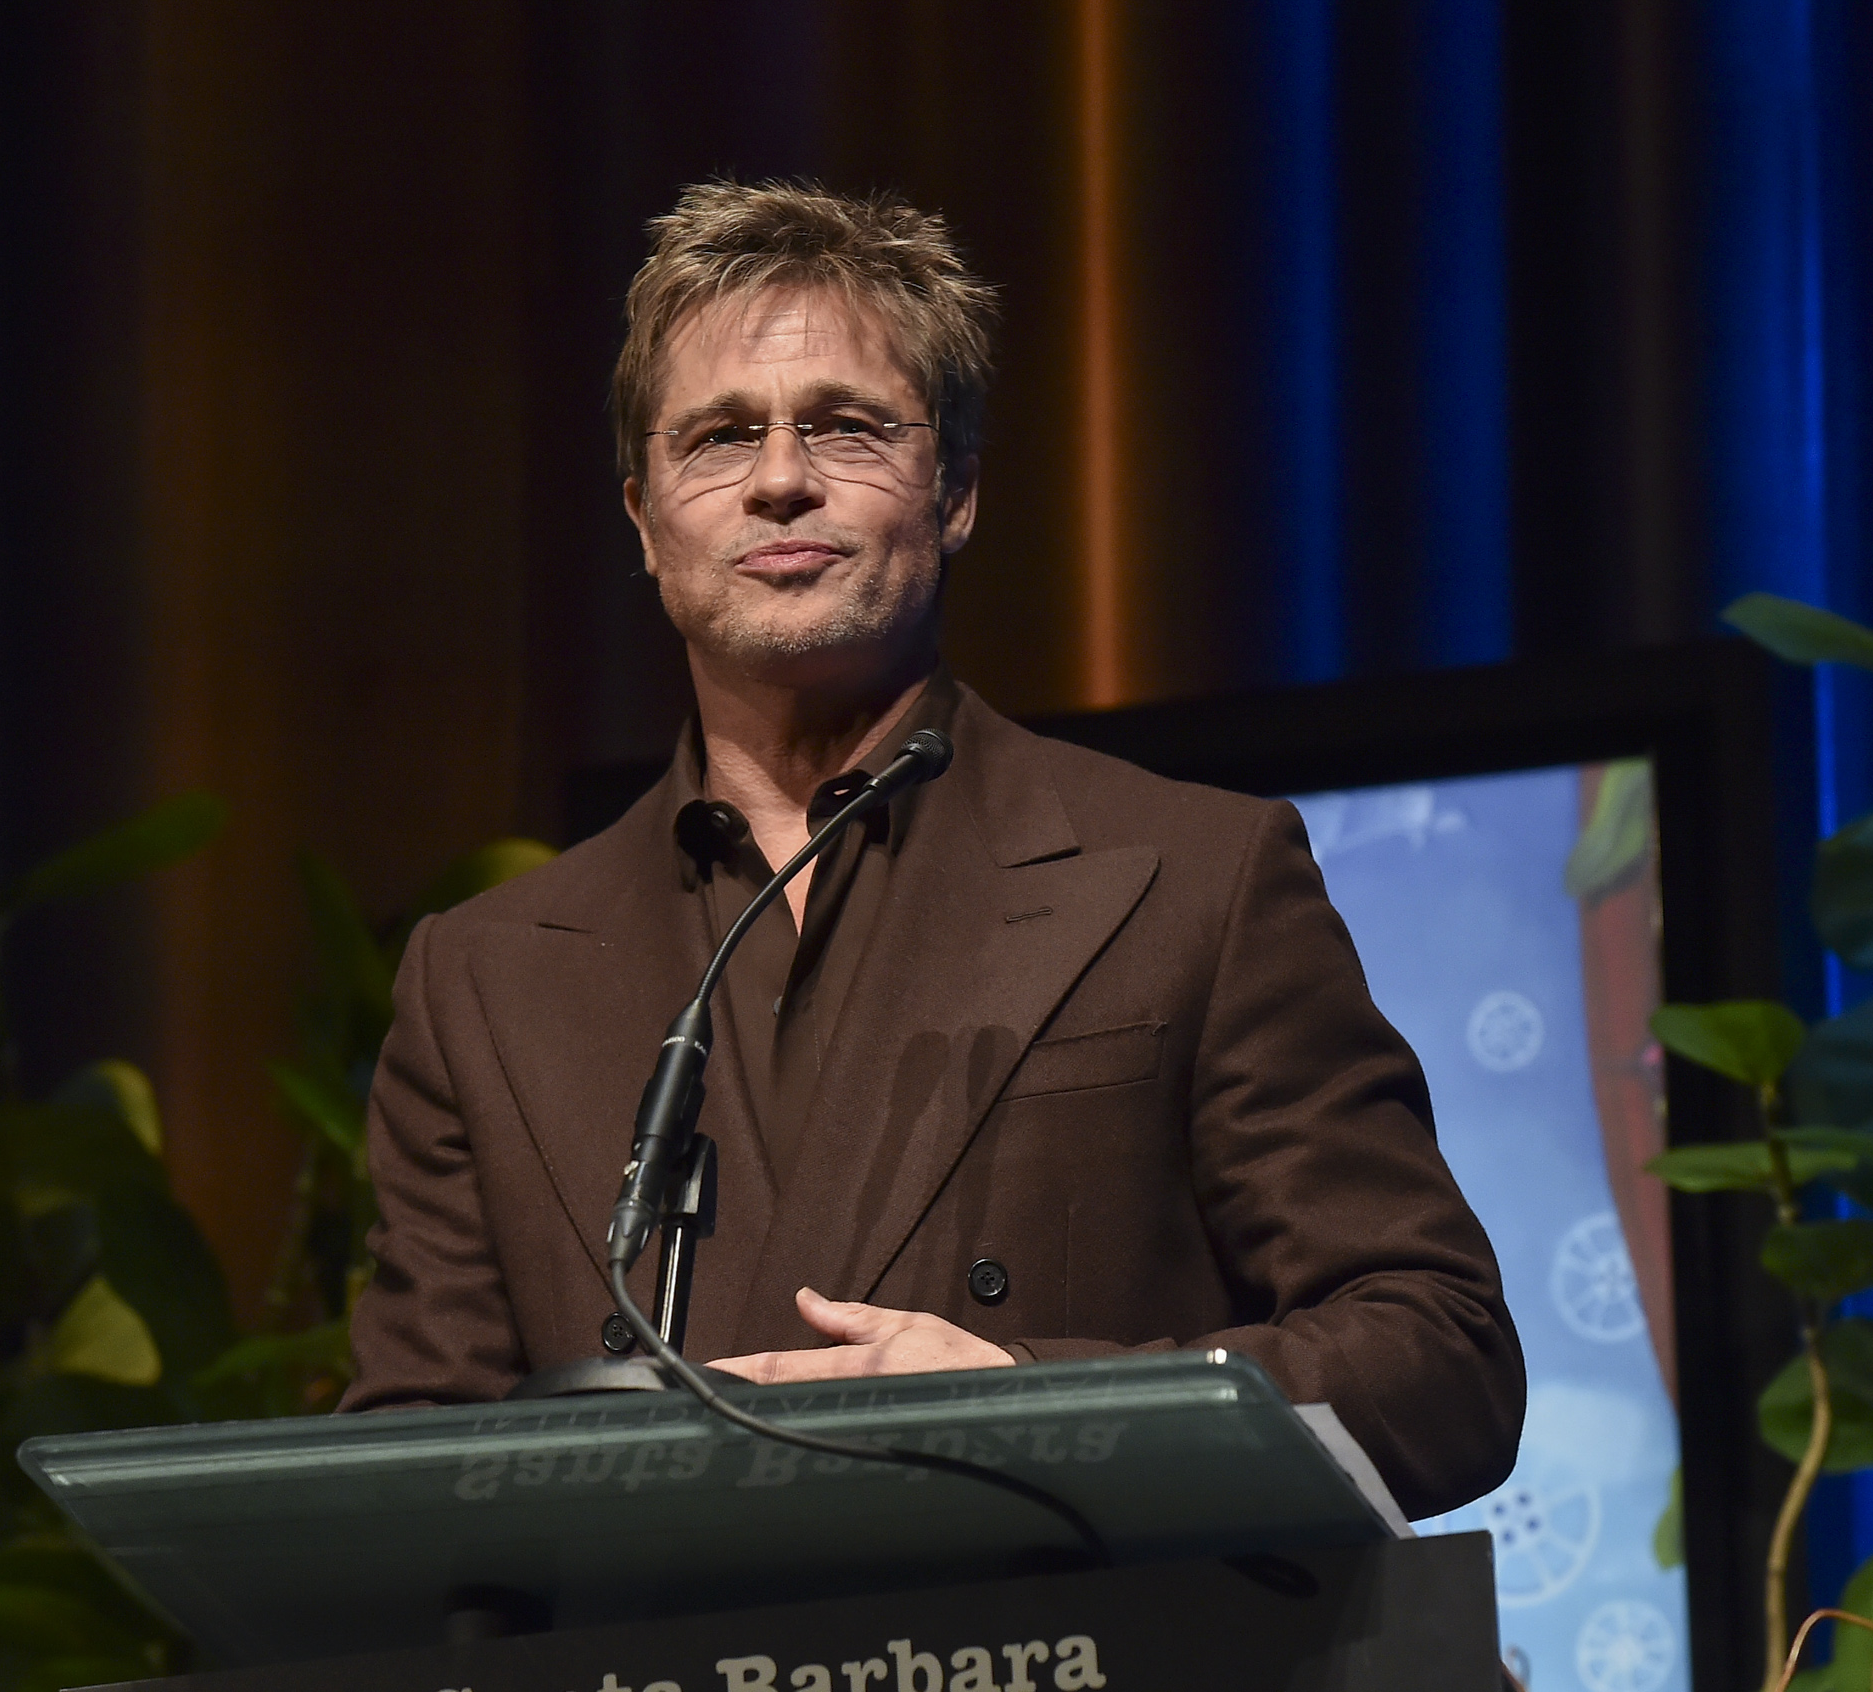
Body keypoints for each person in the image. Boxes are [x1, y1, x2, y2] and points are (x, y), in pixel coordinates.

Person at [338, 179, 1521, 1517]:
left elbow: (1441, 1359)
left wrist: (1029, 1402)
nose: (780, 478)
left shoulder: (1193, 875)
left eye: (846, 426)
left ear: (955, 490)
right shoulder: (485, 978)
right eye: (720, 436)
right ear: (644, 516)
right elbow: (407, 1482)